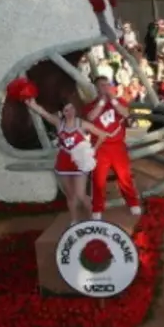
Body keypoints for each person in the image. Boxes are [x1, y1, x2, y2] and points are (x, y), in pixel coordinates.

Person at [24, 99, 115, 224]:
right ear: (62, 113)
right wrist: (32, 104)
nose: (70, 112)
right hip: (63, 163)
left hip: (79, 163)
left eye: (72, 108)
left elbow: (102, 135)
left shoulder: (81, 123)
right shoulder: (58, 123)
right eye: (67, 110)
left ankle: (94, 220)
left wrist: (92, 150)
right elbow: (44, 113)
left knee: (80, 195)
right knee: (71, 195)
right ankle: (74, 220)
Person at [84, 76, 142, 220]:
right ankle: (97, 207)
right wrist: (103, 101)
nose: (105, 87)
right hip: (100, 148)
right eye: (102, 85)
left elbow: (125, 113)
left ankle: (133, 203)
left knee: (125, 176)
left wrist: (112, 99)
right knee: (98, 180)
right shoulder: (91, 105)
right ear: (96, 88)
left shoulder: (119, 101)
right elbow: (91, 117)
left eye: (107, 84)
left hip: (118, 146)